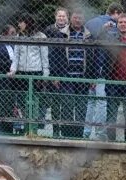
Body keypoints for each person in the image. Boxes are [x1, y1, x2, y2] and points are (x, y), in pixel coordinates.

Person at [83, 3, 122, 140]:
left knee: (92, 101)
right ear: (116, 12)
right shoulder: (112, 25)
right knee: (101, 101)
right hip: (101, 69)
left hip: (91, 68)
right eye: (119, 16)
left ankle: (86, 131)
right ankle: (100, 132)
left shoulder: (91, 22)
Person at [9, 14, 49, 135]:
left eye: (21, 22)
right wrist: (13, 69)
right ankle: (26, 127)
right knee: (22, 102)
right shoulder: (18, 36)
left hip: (35, 72)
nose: (18, 25)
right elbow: (16, 55)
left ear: (27, 23)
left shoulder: (41, 36)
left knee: (34, 102)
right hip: (21, 72)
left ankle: (34, 129)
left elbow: (44, 56)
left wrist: (45, 74)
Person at [104, 13, 126, 142]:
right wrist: (104, 29)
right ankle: (111, 141)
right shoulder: (112, 38)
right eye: (120, 22)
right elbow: (97, 39)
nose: (123, 24)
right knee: (111, 112)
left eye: (125, 22)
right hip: (114, 81)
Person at [60, 11, 91, 139]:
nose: (77, 20)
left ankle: (78, 133)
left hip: (83, 76)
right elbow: (55, 55)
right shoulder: (62, 34)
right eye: (75, 17)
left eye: (80, 18)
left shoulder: (88, 35)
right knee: (67, 104)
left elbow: (92, 58)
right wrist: (57, 75)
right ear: (71, 19)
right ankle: (67, 132)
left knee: (81, 106)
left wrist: (92, 77)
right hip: (66, 76)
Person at [44, 8, 71, 138]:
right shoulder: (49, 30)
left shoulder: (70, 31)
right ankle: (55, 129)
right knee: (54, 103)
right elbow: (50, 53)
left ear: (67, 17)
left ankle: (67, 130)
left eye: (63, 16)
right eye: (59, 16)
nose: (61, 18)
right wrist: (54, 75)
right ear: (55, 17)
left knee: (66, 102)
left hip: (67, 71)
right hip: (51, 68)